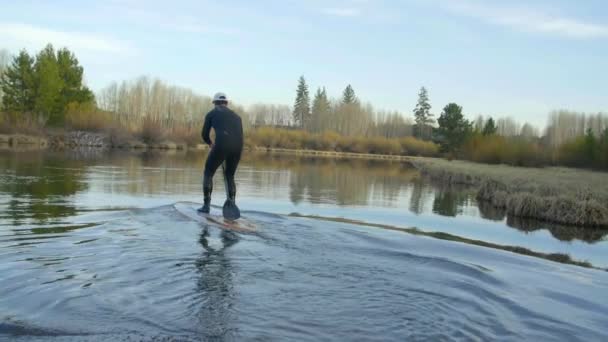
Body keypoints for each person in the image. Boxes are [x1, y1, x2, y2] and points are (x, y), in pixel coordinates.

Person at [198, 92, 244, 214]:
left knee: (208, 172)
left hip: (221, 145)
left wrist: (209, 143)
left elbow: (204, 134)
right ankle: (232, 204)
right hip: (238, 148)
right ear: (226, 103)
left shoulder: (211, 114)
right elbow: (238, 135)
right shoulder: (237, 116)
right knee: (230, 175)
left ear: (214, 103)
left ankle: (206, 206)